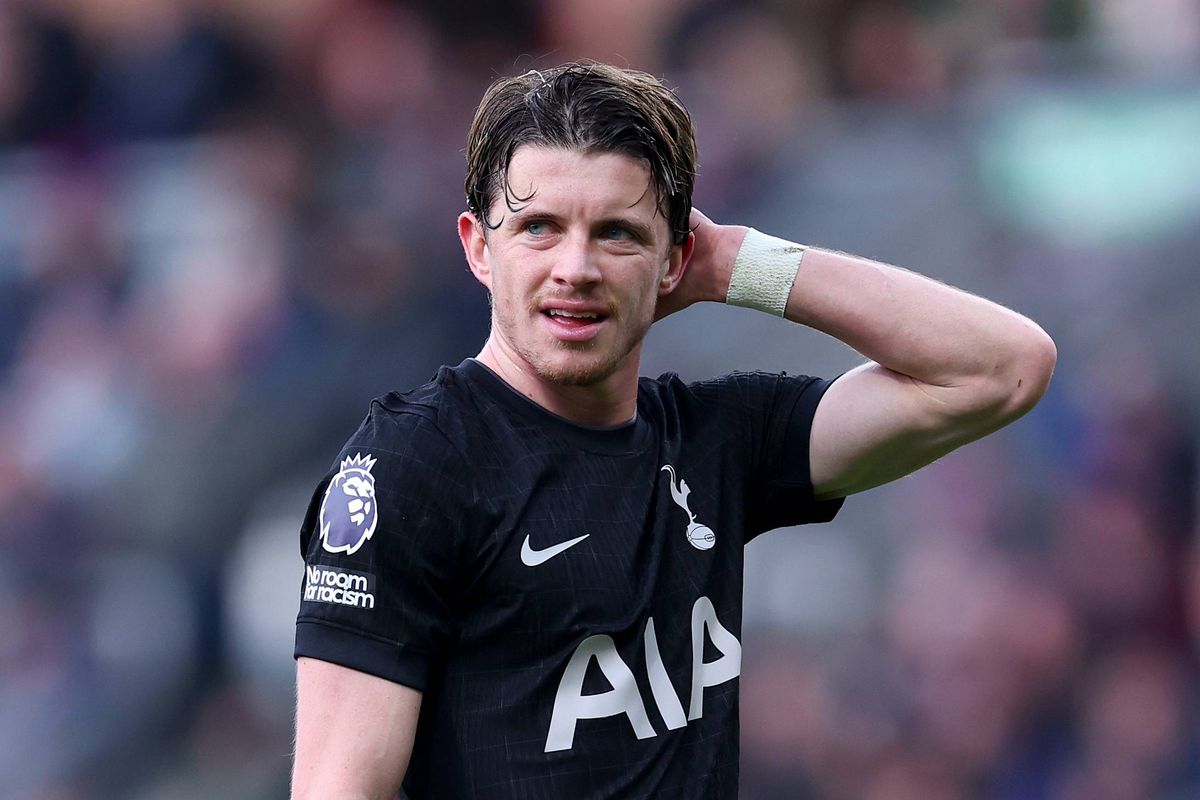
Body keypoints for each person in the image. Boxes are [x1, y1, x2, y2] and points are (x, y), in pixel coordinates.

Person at [290, 62, 1056, 799]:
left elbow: (1003, 368)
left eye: (618, 233)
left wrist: (736, 265)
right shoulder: (414, 468)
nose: (576, 266)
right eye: (540, 228)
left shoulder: (718, 441)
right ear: (478, 248)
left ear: (674, 259)